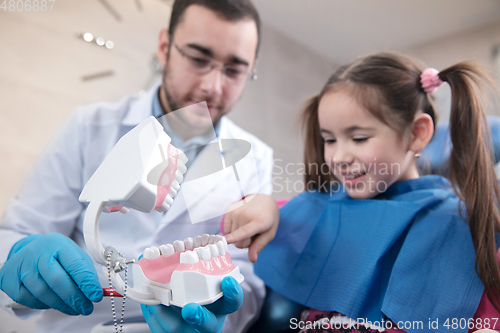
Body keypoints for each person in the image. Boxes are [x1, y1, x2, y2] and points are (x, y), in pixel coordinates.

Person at [0, 0, 275, 332]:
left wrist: (215, 319)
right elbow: (19, 233)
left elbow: (248, 281)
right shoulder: (90, 126)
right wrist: (20, 259)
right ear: (164, 47)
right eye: (199, 59)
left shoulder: (255, 158)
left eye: (234, 69)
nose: (212, 87)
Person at [248, 52, 500, 333]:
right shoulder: (318, 207)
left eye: (359, 138)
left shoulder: (463, 227)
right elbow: (239, 223)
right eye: (329, 140)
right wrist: (262, 206)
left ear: (417, 133)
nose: (339, 156)